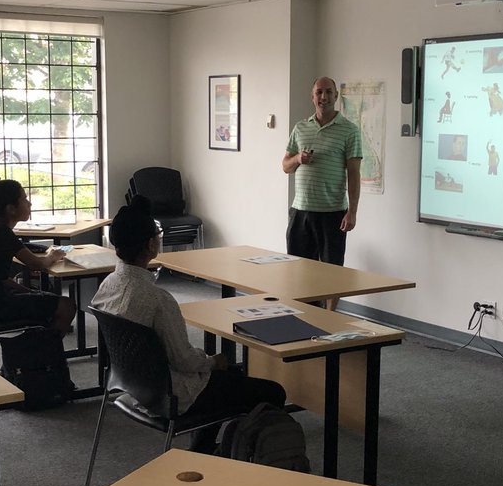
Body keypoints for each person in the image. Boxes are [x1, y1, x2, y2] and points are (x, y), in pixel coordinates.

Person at [91, 196, 287, 453]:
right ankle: (235, 452)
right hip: (169, 396)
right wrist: (212, 361)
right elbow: (184, 360)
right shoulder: (158, 299)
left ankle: (204, 451)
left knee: (231, 379)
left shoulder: (107, 286)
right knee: (273, 392)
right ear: (151, 244)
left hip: (132, 387)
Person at [281, 78, 363, 309]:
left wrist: (353, 212)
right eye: (319, 92)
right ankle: (305, 313)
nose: (323, 97)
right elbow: (285, 166)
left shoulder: (349, 131)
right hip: (301, 211)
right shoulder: (300, 128)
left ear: (336, 96)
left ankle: (329, 318)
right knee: (298, 269)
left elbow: (354, 174)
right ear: (312, 96)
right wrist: (298, 158)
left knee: (332, 270)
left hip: (333, 212)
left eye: (328, 92)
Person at [0, 179, 76, 334]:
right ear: (11, 208)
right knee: (67, 306)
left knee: (45, 299)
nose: (29, 204)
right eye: (24, 199)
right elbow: (37, 265)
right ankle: (45, 354)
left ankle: (40, 346)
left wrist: (29, 291)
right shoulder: (1, 232)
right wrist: (52, 255)